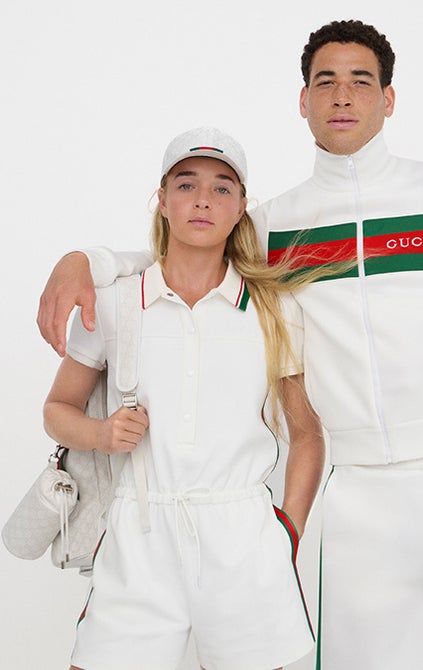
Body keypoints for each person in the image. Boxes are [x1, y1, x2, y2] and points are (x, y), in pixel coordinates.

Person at [37, 20, 423, 670]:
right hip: (361, 492)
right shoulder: (277, 224)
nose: (342, 96)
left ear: (388, 98)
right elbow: (192, 249)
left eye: (361, 81)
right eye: (325, 81)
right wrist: (88, 260)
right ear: (303, 100)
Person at [42, 127, 325, 670]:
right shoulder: (115, 303)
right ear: (163, 200)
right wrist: (101, 433)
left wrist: (287, 531)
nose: (203, 200)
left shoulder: (273, 309)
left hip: (244, 537)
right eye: (187, 184)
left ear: (242, 208)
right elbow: (57, 410)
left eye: (222, 188)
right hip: (140, 532)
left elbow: (308, 434)